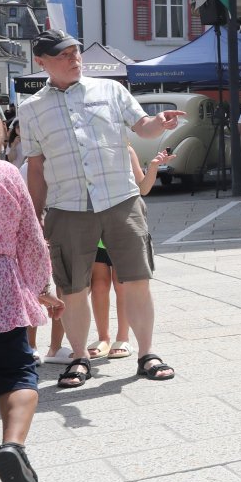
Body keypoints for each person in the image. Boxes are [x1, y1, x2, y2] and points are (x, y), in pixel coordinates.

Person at [22, 29, 183, 388]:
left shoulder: (110, 89)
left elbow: (143, 127)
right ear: (42, 62)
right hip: (67, 208)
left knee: (137, 280)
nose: (74, 58)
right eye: (63, 55)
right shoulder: (31, 108)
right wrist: (35, 217)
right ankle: (79, 357)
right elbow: (35, 165)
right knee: (73, 287)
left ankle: (147, 354)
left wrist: (159, 123)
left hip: (121, 200)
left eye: (75, 51)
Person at [0, 126, 66, 482]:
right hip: (0, 288)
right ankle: (12, 445)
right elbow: (30, 238)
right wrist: (42, 286)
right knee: (17, 373)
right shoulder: (4, 174)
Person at [86, 145, 168, 363]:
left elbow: (143, 188)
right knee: (99, 284)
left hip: (121, 224)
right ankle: (103, 337)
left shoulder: (126, 149)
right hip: (92, 222)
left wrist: (153, 166)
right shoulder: (86, 146)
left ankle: (123, 337)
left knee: (122, 284)